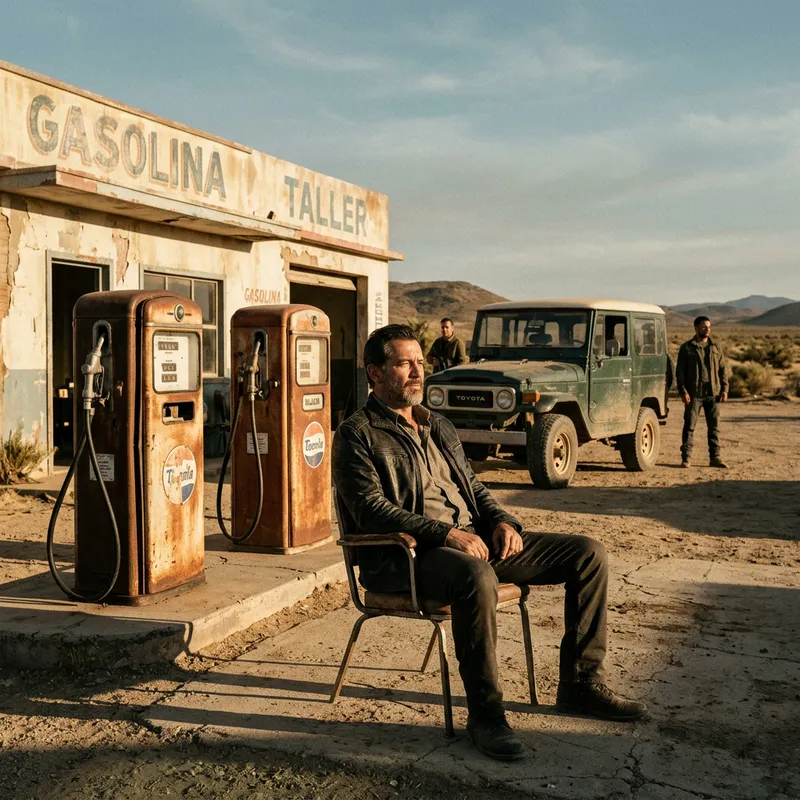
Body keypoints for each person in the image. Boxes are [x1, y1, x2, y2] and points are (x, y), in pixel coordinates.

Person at [333, 324, 647, 762]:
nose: (417, 372)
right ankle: (486, 716)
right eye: (404, 364)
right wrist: (446, 534)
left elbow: (473, 486)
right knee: (476, 576)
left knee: (588, 554)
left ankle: (581, 684)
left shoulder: (437, 424)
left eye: (420, 363)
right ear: (375, 372)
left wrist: (501, 520)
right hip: (408, 556)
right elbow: (370, 510)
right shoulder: (357, 433)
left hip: (472, 543)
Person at [675, 316, 729, 468]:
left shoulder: (715, 347)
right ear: (696, 328)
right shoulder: (687, 348)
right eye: (704, 327)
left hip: (713, 393)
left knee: (714, 428)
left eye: (709, 327)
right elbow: (680, 372)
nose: (707, 329)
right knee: (689, 427)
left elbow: (723, 369)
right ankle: (686, 458)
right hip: (694, 394)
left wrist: (724, 389)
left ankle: (715, 457)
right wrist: (683, 392)